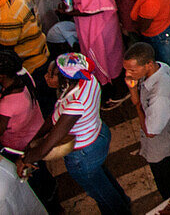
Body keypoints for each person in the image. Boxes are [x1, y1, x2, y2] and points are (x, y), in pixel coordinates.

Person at [17, 54, 131, 213]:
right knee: (101, 178)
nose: (46, 77)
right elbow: (53, 116)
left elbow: (48, 144)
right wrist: (33, 141)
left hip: (84, 155)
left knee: (101, 194)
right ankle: (123, 202)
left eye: (51, 74)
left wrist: (25, 159)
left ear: (65, 80)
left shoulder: (75, 105)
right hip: (98, 135)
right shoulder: (87, 79)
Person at [122, 42, 170, 198]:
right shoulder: (162, 67)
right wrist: (133, 90)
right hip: (168, 137)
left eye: (132, 69)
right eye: (126, 69)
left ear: (149, 64)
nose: (128, 74)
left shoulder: (159, 94)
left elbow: (151, 132)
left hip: (163, 148)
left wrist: (138, 105)